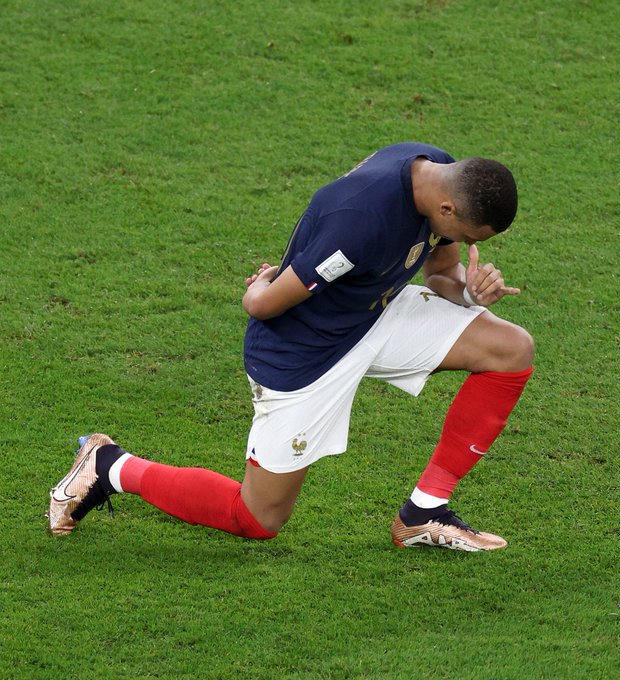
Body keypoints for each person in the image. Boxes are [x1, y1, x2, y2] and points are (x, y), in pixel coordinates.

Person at [48, 142, 534, 551]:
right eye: (466, 235)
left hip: (374, 313)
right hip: (306, 355)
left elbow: (442, 272)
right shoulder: (361, 221)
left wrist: (470, 292)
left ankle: (423, 514)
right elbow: (264, 305)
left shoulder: (437, 172)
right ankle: (110, 465)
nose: (464, 242)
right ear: (448, 210)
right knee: (257, 518)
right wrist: (258, 288)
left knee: (510, 349)